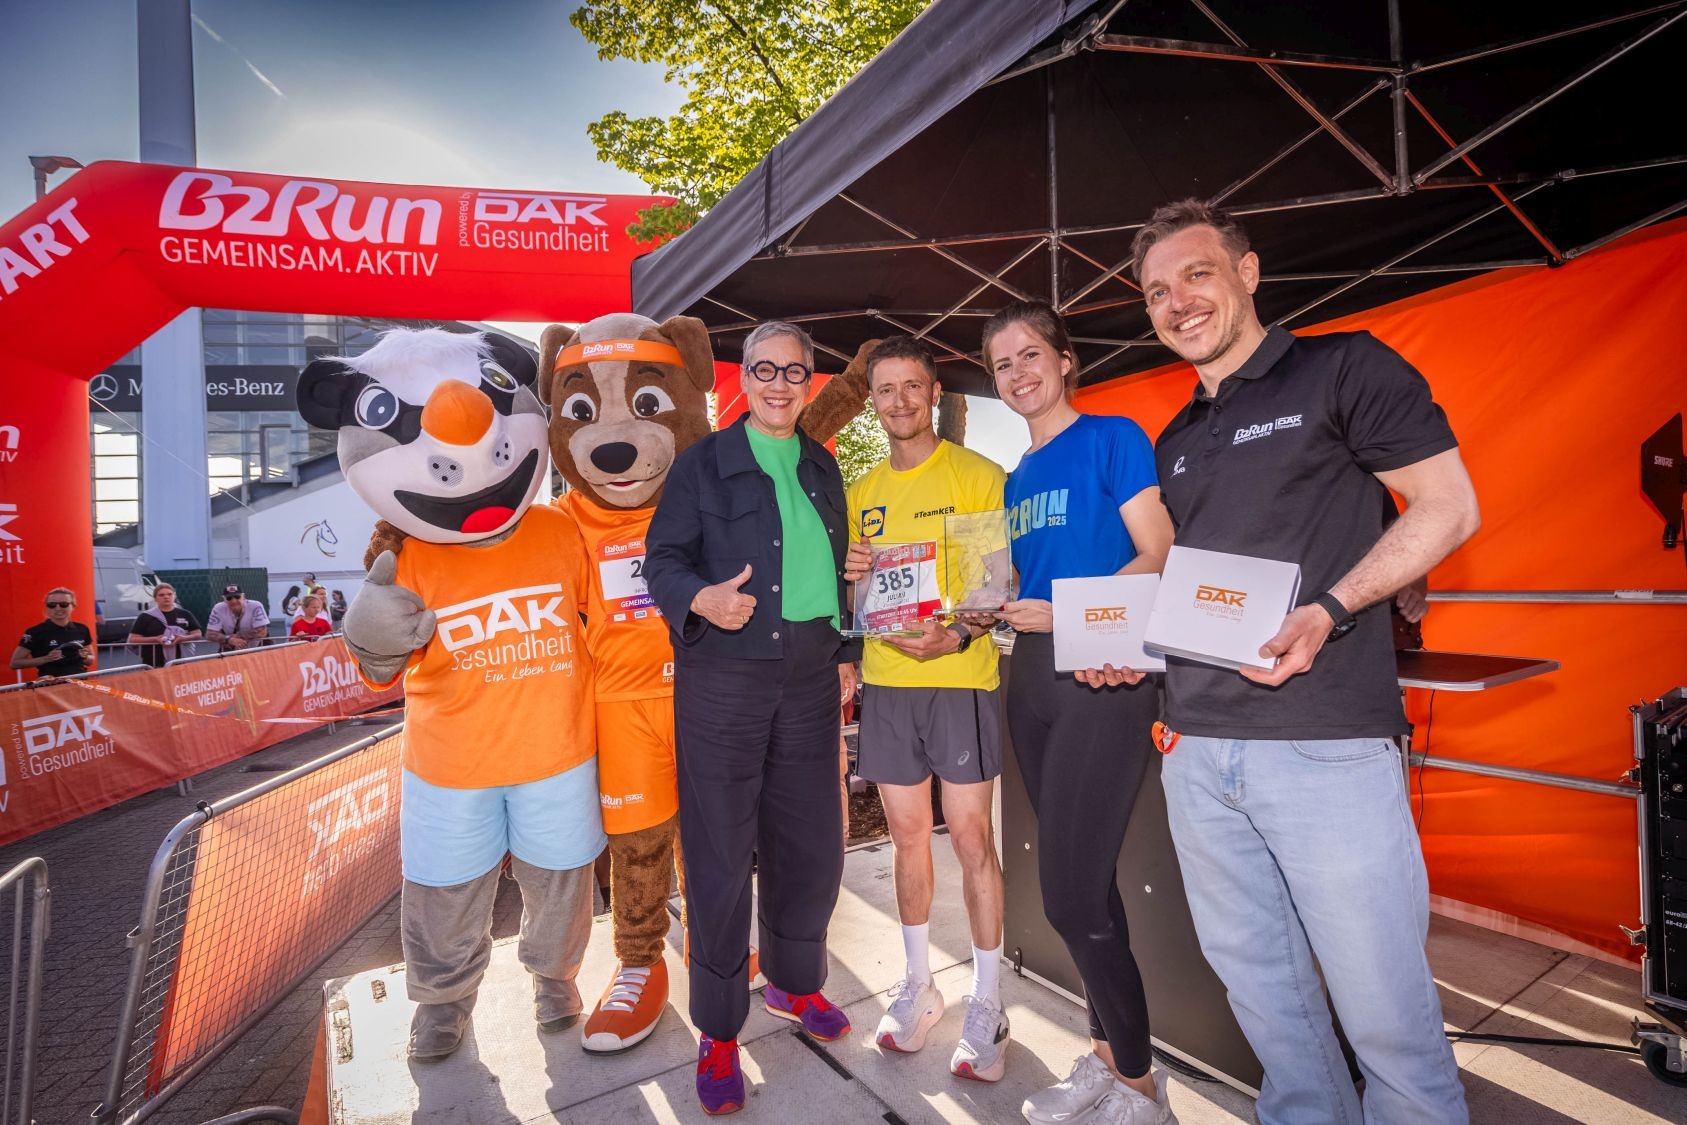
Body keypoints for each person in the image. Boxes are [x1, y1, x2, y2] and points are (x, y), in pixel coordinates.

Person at [1136, 198, 1479, 1124]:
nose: (1177, 301)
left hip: (1325, 744)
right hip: (1196, 749)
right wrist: (1125, 647)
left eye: (1196, 274)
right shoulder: (1175, 437)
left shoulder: (1343, 366)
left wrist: (1332, 606)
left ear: (1247, 272)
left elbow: (1447, 504)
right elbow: (1195, 579)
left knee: (1387, 1022)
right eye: (1157, 291)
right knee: (1269, 1007)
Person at [646, 320, 860, 1115]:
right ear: (744, 378)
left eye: (793, 371)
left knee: (811, 844)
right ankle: (718, 1028)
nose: (778, 383)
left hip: (809, 677)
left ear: (809, 381)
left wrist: (846, 634)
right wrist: (700, 597)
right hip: (724, 680)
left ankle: (794, 982)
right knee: (719, 854)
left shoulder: (822, 464)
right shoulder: (701, 462)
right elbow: (661, 560)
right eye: (764, 369)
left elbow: (830, 564)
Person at [982, 300, 1178, 1125]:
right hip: (1031, 677)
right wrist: (977, 600)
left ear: (1065, 359)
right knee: (1086, 887)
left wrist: (1064, 609)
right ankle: (1107, 1061)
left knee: (1066, 897)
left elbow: (1159, 552)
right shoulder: (1012, 478)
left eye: (1030, 354)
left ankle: (1140, 1086)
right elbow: (1012, 584)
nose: (1017, 373)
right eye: (1001, 364)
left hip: (1103, 672)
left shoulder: (1112, 438)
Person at [839, 336, 1012, 1079]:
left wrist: (954, 635)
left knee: (971, 839)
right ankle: (918, 985)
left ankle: (989, 1000)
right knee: (907, 837)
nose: (900, 401)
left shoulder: (975, 475)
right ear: (872, 401)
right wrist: (852, 575)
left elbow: (989, 590)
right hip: (887, 684)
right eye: (886, 389)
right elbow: (858, 602)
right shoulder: (861, 492)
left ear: (934, 392)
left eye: (913, 386)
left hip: (959, 680)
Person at [11, 587, 95, 678]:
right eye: (52, 605)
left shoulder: (82, 629)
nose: (58, 608)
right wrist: (47, 658)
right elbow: (15, 663)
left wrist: (85, 656)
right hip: (52, 684)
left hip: (81, 681)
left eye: (64, 604)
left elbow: (90, 660)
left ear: (73, 606)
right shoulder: (35, 632)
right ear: (46, 607)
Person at [127, 583, 203, 667]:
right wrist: (155, 639)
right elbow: (133, 639)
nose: (166, 597)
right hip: (153, 662)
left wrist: (183, 638)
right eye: (161, 595)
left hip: (181, 661)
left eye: (169, 594)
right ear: (155, 598)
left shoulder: (185, 614)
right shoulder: (145, 616)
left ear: (174, 596)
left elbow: (198, 634)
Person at [205, 584, 270, 650]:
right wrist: (228, 639)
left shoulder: (255, 606)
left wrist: (238, 636)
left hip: (259, 646)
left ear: (243, 597)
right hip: (232, 647)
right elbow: (209, 634)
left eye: (237, 597)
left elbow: (262, 632)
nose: (233, 601)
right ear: (224, 599)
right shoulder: (218, 608)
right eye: (229, 598)